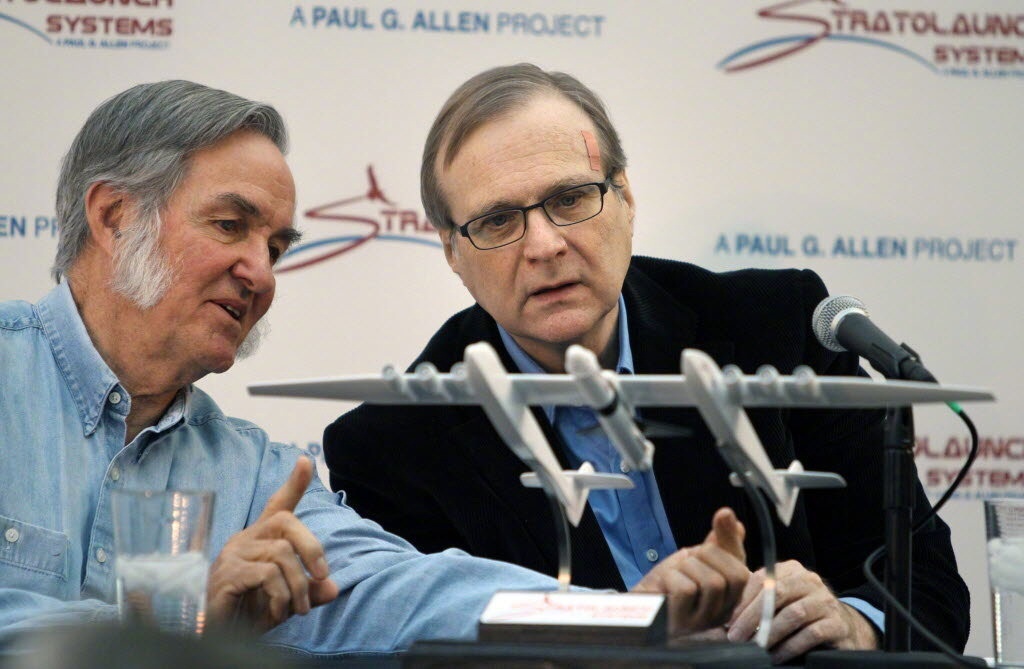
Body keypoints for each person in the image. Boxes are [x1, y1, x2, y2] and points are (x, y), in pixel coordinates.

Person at [0, 79, 751, 655]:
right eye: (230, 225)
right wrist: (189, 619)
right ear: (114, 215)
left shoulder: (253, 474)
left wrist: (625, 617)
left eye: (276, 248)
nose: (261, 273)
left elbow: (405, 591)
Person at [323, 63, 969, 662]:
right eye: (497, 221)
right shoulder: (393, 444)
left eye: (570, 199)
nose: (544, 245)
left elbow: (929, 587)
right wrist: (624, 634)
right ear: (451, 252)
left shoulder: (775, 329)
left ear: (626, 198)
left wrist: (854, 625)